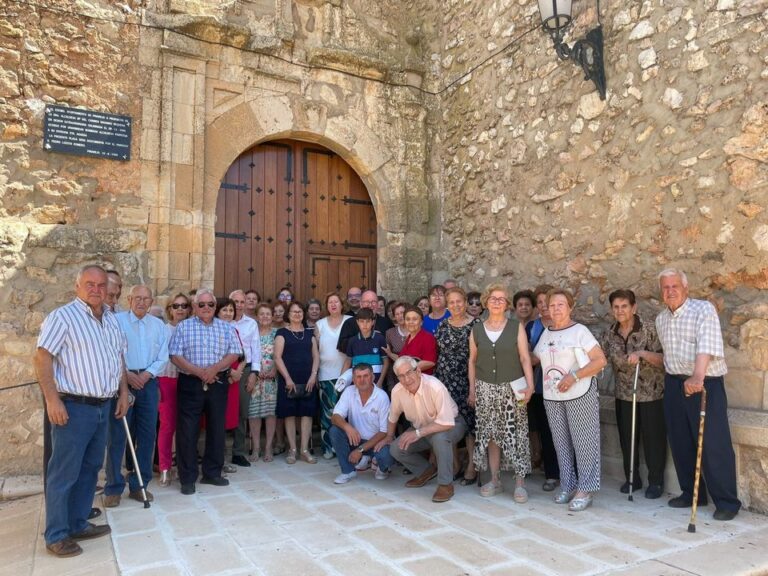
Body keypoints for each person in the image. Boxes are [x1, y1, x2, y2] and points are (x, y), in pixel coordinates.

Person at [34, 265, 129, 557]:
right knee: (64, 472)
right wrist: (53, 400)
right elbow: (42, 358)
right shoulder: (63, 317)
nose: (96, 290)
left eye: (101, 285)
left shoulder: (112, 321)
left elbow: (119, 360)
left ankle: (77, 523)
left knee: (90, 469)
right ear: (77, 286)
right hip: (73, 408)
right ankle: (56, 534)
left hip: (103, 406)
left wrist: (123, 393)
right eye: (90, 284)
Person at [656, 268, 741, 520]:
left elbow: (707, 346)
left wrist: (697, 377)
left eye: (675, 286)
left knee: (714, 444)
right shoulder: (661, 319)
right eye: (665, 287)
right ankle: (692, 494)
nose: (670, 291)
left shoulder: (702, 310)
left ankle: (727, 501)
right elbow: (669, 356)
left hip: (704, 383)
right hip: (674, 384)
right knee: (680, 442)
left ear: (686, 288)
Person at [532, 288, 607, 512]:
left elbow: (599, 360)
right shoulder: (546, 332)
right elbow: (535, 359)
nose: (555, 309)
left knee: (584, 442)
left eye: (560, 304)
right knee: (561, 443)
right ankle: (567, 484)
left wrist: (573, 376)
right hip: (552, 396)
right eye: (552, 305)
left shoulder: (579, 332)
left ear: (570, 307)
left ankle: (585, 488)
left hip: (579, 393)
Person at [169, 288, 242, 495]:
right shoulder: (183, 327)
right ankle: (188, 478)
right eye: (201, 304)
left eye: (210, 304)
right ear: (194, 307)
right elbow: (175, 355)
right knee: (187, 431)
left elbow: (234, 352)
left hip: (217, 382)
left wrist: (213, 370)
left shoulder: (225, 327)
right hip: (190, 383)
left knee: (217, 429)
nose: (206, 308)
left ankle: (212, 473)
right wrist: (200, 372)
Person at [468, 283, 535, 501]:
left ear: (507, 305)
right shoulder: (477, 329)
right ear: (486, 301)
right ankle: (495, 479)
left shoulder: (516, 327)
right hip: (485, 387)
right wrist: (472, 390)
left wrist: (530, 385)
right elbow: (472, 361)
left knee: (515, 434)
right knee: (491, 435)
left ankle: (520, 482)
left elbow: (525, 358)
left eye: (502, 299)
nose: (497, 302)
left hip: (512, 387)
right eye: (493, 298)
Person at [104, 285, 168, 508]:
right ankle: (112, 487)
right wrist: (128, 376)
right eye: (137, 298)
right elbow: (112, 352)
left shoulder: (158, 325)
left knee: (147, 435)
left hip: (149, 384)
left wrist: (148, 374)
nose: (141, 302)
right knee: (118, 436)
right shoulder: (116, 321)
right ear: (129, 299)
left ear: (151, 301)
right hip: (124, 383)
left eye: (146, 299)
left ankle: (139, 485)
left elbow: (164, 355)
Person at [602, 289, 666, 499]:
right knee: (627, 438)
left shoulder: (649, 329)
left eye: (624, 306)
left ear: (634, 307)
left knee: (653, 439)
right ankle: (632, 478)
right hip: (623, 394)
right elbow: (600, 358)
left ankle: (655, 482)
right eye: (616, 307)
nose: (620, 311)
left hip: (651, 393)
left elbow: (665, 359)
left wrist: (643, 354)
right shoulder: (609, 333)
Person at [380, 356, 467, 503]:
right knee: (396, 448)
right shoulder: (397, 391)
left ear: (418, 371)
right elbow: (393, 416)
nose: (406, 379)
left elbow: (446, 422)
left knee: (440, 438)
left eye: (409, 373)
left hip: (451, 424)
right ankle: (426, 471)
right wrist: (389, 436)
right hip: (421, 428)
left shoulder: (435, 386)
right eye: (401, 376)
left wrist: (418, 433)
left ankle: (445, 484)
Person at [435, 287, 480, 485]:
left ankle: (472, 465)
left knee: (470, 424)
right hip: (445, 380)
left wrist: (473, 387)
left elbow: (477, 357)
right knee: (448, 422)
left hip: (466, 379)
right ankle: (454, 464)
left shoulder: (476, 325)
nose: (455, 305)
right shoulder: (443, 325)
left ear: (465, 302)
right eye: (451, 302)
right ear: (447, 305)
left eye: (459, 301)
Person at [329, 363, 393, 484]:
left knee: (386, 456)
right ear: (353, 379)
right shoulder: (349, 392)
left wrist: (360, 450)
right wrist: (347, 427)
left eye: (366, 376)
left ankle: (382, 467)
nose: (362, 380)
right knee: (335, 430)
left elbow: (384, 432)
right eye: (358, 377)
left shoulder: (382, 397)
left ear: (372, 377)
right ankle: (348, 471)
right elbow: (335, 417)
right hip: (356, 439)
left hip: (377, 442)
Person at [274, 301, 320, 464]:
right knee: (290, 414)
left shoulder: (309, 334)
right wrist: (287, 378)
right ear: (288, 314)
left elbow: (316, 356)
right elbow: (277, 357)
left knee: (306, 414)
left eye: (300, 311)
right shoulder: (281, 333)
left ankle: (304, 450)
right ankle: (292, 450)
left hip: (307, 380)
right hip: (289, 380)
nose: (297, 314)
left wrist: (313, 375)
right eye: (294, 312)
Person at [525, 285, 560, 491]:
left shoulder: (566, 326)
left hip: (562, 388)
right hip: (540, 387)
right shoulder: (532, 327)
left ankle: (570, 471)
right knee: (546, 431)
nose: (544, 306)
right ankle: (552, 473)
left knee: (564, 431)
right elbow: (527, 355)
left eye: (547, 302)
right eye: (539, 303)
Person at [157, 293, 190, 487]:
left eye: (184, 306)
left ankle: (183, 466)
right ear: (169, 309)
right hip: (167, 380)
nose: (180, 309)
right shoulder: (163, 330)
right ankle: (165, 468)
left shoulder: (193, 329)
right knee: (167, 425)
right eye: (176, 306)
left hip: (187, 381)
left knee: (186, 426)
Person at [315, 293, 351, 459]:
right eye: (330, 302)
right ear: (327, 306)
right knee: (327, 414)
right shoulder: (320, 324)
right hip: (325, 374)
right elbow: (314, 352)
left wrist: (345, 372)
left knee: (346, 413)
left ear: (342, 304)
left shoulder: (350, 321)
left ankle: (345, 447)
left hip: (347, 374)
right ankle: (328, 448)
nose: (333, 304)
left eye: (336, 301)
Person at [229, 289, 261, 468]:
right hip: (224, 370)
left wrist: (254, 374)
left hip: (245, 371)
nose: (239, 305)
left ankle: (238, 452)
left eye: (242, 302)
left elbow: (256, 349)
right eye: (236, 301)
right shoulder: (221, 321)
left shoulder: (251, 324)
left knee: (242, 412)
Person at [249, 303, 279, 461]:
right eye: (262, 314)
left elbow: (281, 354)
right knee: (254, 414)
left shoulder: (277, 333)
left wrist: (275, 369)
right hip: (255, 379)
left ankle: (268, 448)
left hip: (272, 380)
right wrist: (255, 371)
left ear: (272, 316)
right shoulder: (252, 333)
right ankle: (255, 448)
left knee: (270, 414)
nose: (265, 317)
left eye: (268, 314)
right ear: (257, 316)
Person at [342, 308, 390, 386]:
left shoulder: (380, 338)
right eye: (362, 321)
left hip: (376, 383)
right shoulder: (352, 341)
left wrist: (380, 382)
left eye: (368, 321)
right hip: (357, 384)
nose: (365, 324)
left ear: (373, 322)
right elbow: (348, 361)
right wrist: (341, 379)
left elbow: (386, 362)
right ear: (357, 322)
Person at [398, 306, 437, 375]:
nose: (411, 322)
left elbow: (430, 362)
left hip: (423, 381)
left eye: (414, 319)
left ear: (421, 322)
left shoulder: (427, 338)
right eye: (408, 319)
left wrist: (408, 369)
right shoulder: (408, 338)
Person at [384, 302, 408, 392]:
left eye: (402, 313)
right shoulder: (390, 333)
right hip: (396, 378)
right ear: (394, 317)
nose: (400, 316)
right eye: (397, 314)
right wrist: (390, 384)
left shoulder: (416, 331)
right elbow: (389, 361)